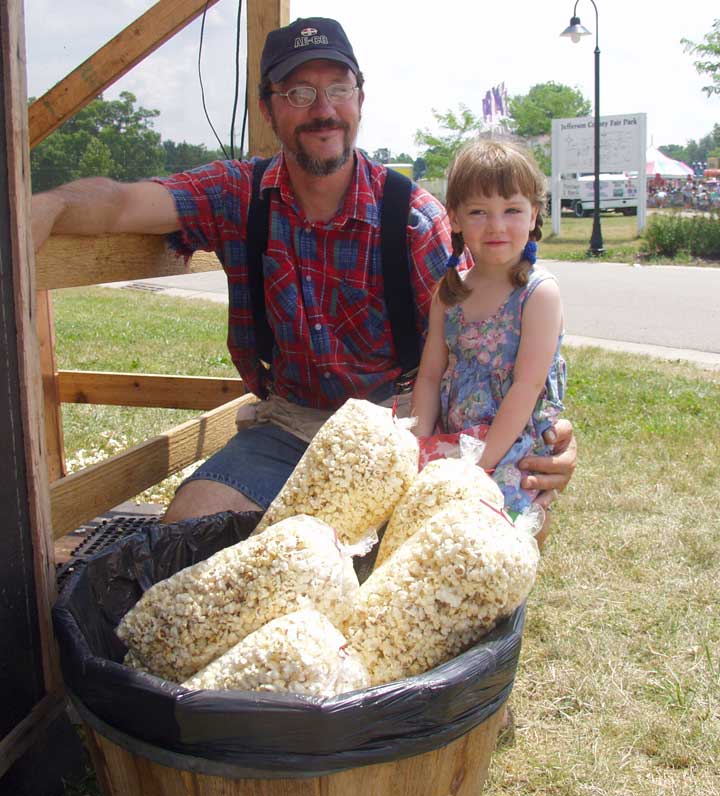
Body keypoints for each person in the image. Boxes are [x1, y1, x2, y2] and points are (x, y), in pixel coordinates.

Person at [31, 17, 576, 533]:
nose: (323, 110)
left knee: (437, 553)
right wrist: (48, 207)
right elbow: (125, 204)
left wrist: (549, 436)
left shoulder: (412, 218)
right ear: (269, 109)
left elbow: (491, 330)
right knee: (187, 528)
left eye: (338, 89)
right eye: (298, 93)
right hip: (288, 423)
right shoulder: (238, 194)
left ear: (360, 101)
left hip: (395, 426)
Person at [411, 139, 565, 514]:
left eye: (512, 209)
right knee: (425, 515)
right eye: (479, 211)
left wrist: (480, 467)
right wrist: (416, 445)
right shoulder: (450, 294)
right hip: (456, 438)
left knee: (490, 523)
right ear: (456, 219)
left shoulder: (537, 295)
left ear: (533, 216)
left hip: (511, 444)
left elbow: (527, 388)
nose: (496, 226)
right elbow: (430, 377)